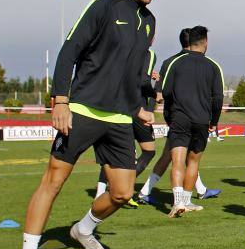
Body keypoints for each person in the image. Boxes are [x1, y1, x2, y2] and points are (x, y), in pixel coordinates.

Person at [15, 0, 165, 249]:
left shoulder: (150, 21)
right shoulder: (105, 5)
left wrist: (143, 99)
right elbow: (70, 50)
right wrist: (61, 100)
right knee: (53, 182)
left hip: (119, 119)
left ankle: (83, 228)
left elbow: (132, 70)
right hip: (81, 109)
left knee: (123, 193)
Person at [137, 28, 220, 204]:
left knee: (172, 156)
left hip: (176, 117)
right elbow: (216, 97)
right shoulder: (203, 64)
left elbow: (161, 94)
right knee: (186, 159)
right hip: (192, 117)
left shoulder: (170, 62)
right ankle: (183, 199)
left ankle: (147, 191)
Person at [161, 26, 224, 217]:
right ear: (205, 43)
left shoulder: (176, 63)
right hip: (202, 120)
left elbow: (166, 92)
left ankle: (178, 202)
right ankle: (186, 201)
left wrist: (169, 116)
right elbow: (218, 98)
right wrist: (214, 121)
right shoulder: (213, 66)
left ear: (189, 42)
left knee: (178, 160)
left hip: (179, 118)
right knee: (194, 162)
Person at [94, 44, 158, 207]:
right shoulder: (147, 52)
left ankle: (100, 193)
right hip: (136, 107)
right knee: (148, 151)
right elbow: (143, 81)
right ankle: (123, 187)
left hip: (116, 105)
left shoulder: (122, 50)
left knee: (113, 152)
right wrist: (154, 92)